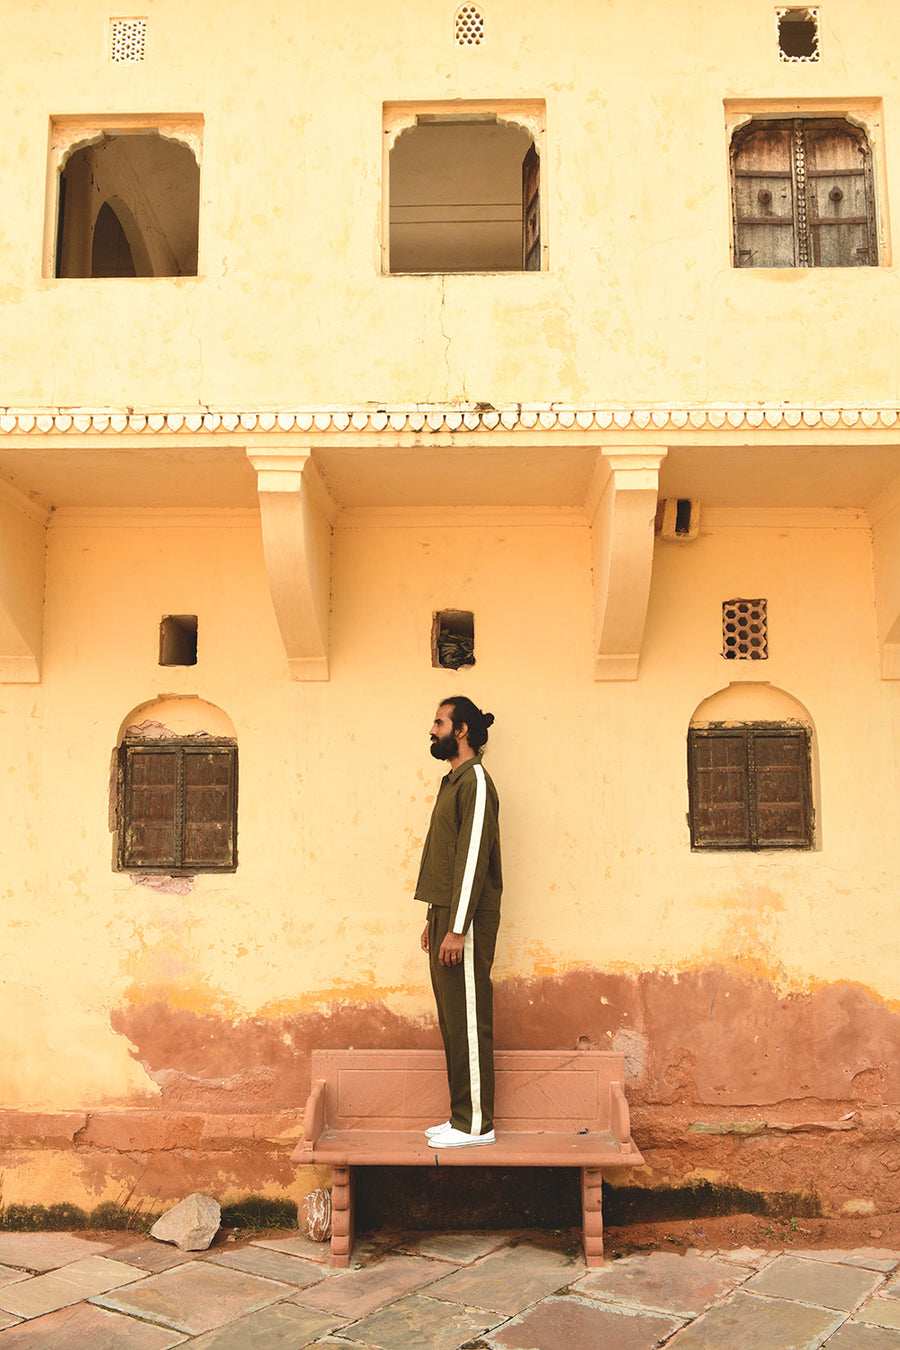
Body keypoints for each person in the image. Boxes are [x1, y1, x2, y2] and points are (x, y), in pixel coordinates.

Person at [415, 697, 502, 1148]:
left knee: (469, 1018)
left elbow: (473, 858)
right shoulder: (450, 783)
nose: (432, 730)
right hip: (446, 913)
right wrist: (436, 917)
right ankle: (460, 1116)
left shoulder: (476, 782)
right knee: (453, 1019)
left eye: (439, 722)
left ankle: (476, 1125)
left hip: (464, 918)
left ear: (461, 730)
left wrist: (458, 926)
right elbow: (446, 857)